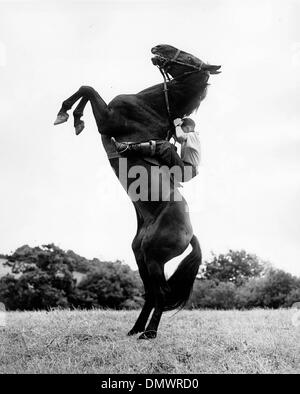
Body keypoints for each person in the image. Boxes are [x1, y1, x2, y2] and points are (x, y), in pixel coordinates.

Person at [111, 117, 201, 182]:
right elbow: (178, 138)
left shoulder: (193, 135)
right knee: (170, 147)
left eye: (182, 129)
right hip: (185, 169)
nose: (180, 130)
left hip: (187, 170)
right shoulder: (191, 138)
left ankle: (128, 148)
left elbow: (180, 136)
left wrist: (177, 125)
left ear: (188, 128)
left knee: (166, 147)